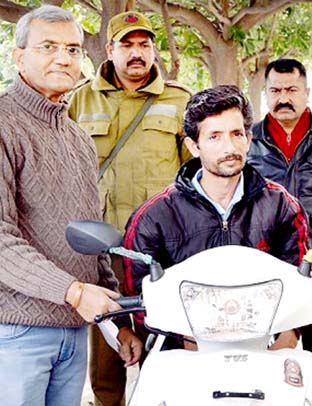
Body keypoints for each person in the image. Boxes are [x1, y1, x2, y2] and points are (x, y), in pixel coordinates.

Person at [0, 6, 141, 405]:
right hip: (15, 332)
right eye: (48, 46)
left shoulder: (77, 138)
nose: (63, 58)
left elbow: (90, 239)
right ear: (18, 55)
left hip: (75, 331)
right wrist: (74, 292)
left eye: (73, 49)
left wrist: (117, 324)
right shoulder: (4, 123)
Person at [67, 11, 192, 405]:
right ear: (109, 50)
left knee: (170, 343)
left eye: (144, 44)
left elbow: (193, 175)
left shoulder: (179, 100)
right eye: (127, 44)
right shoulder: (80, 100)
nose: (137, 53)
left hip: (163, 249)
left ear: (154, 50)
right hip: (103, 246)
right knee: (106, 352)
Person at [122, 85, 307, 349]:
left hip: (261, 349)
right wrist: (180, 337)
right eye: (214, 137)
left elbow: (299, 279)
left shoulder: (281, 206)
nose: (229, 146)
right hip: (185, 355)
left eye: (236, 134)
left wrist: (291, 331)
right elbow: (138, 294)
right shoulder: (153, 217)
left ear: (249, 138)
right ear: (193, 145)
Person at [246, 57, 312, 404]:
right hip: (267, 265)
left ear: (307, 92)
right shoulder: (251, 140)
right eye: (275, 90)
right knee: (271, 355)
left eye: (292, 89)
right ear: (265, 94)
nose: (283, 98)